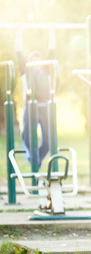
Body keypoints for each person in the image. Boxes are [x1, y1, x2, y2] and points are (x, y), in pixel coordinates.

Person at [15, 26, 55, 169]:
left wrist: (51, 31)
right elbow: (19, 52)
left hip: (45, 106)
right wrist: (19, 32)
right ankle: (33, 158)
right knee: (27, 137)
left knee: (49, 141)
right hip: (30, 106)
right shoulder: (26, 71)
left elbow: (52, 51)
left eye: (39, 61)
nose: (37, 64)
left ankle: (36, 159)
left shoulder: (47, 70)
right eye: (34, 61)